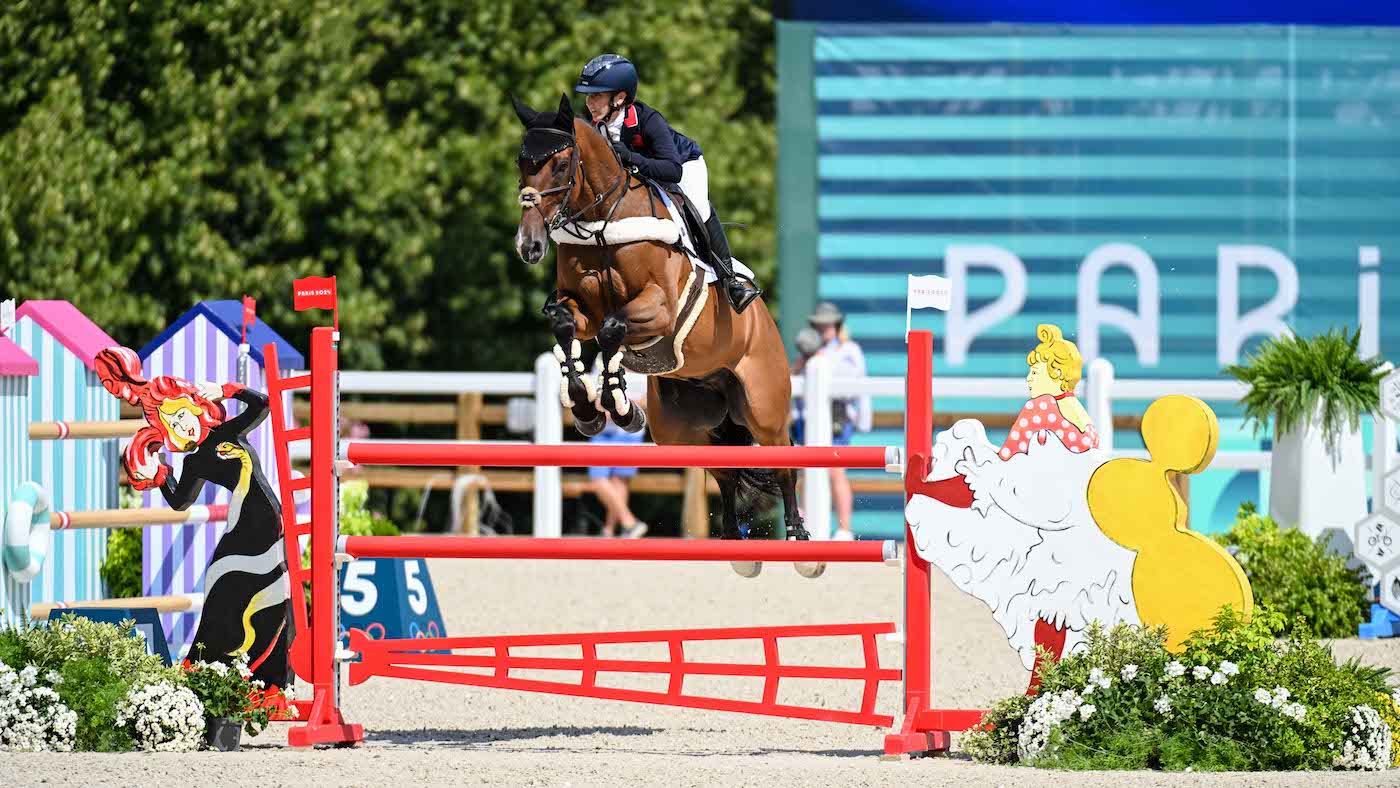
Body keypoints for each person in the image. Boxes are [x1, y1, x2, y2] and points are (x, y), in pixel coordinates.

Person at [573, 53, 761, 315]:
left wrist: (630, 158)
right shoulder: (592, 122)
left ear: (620, 97)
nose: (590, 103)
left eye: (597, 95)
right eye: (588, 96)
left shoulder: (649, 120)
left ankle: (730, 280)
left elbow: (671, 170)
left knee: (698, 207)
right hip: (639, 175)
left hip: (683, 165)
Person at [806, 302, 872, 541]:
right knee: (806, 470)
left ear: (836, 325)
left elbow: (857, 384)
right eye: (820, 324)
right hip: (811, 415)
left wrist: (863, 418)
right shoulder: (810, 351)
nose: (824, 328)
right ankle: (805, 525)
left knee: (836, 471)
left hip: (838, 415)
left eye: (828, 323)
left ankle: (844, 528)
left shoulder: (849, 350)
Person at [586, 357, 648, 538]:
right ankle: (629, 522)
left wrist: (619, 411)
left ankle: (609, 529)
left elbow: (649, 398)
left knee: (618, 482)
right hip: (606, 430)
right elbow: (595, 392)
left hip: (630, 431)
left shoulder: (645, 358)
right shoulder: (602, 358)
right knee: (598, 480)